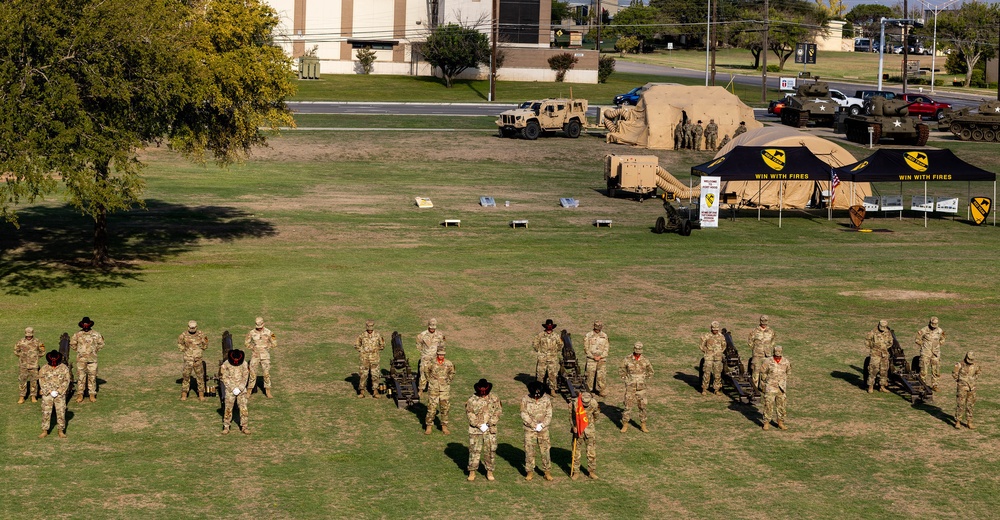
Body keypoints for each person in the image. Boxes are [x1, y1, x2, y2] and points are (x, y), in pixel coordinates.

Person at [465, 378, 502, 481]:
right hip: (476, 430)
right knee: (474, 451)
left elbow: (498, 411)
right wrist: (478, 425)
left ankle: (489, 472)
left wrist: (490, 423)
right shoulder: (472, 399)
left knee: (490, 451)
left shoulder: (494, 398)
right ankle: (472, 472)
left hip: (490, 430)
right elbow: (469, 413)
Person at [521, 381, 553, 481]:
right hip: (530, 430)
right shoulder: (525, 399)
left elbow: (549, 414)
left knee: (545, 451)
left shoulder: (546, 400)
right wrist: (533, 425)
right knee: (529, 451)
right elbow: (523, 414)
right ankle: (530, 472)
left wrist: (542, 425)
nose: (537, 396)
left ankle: (547, 472)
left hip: (543, 430)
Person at [619, 341, 653, 433]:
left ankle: (643, 425)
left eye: (639, 349)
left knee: (642, 407)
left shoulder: (645, 360)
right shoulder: (627, 359)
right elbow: (622, 371)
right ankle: (625, 425)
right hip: (630, 388)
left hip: (641, 389)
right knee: (627, 407)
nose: (638, 351)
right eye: (636, 349)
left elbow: (651, 371)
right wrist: (627, 380)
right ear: (634, 349)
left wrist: (643, 379)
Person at [70, 317, 104, 403]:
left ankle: (92, 394)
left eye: (87, 324)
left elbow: (101, 344)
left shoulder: (96, 334)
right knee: (81, 377)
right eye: (84, 324)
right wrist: (80, 352)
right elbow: (73, 344)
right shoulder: (78, 334)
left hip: (92, 359)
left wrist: (94, 351)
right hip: (81, 360)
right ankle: (80, 394)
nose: (85, 326)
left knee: (92, 377)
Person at [38, 350, 71, 438]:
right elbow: (41, 380)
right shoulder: (44, 368)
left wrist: (59, 391)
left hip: (59, 394)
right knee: (46, 412)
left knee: (61, 412)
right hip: (47, 394)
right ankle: (45, 430)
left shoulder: (64, 368)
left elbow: (67, 380)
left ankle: (61, 430)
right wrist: (49, 391)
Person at [424, 346, 455, 435]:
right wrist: (430, 380)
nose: (441, 356)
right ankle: (429, 426)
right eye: (439, 354)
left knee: (445, 408)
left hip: (444, 389)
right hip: (434, 388)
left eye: (443, 355)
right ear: (437, 354)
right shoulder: (431, 363)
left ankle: (444, 427)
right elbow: (426, 371)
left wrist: (448, 381)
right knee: (431, 408)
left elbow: (452, 373)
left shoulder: (448, 363)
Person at [570, 391, 600, 480]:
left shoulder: (594, 403)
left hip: (589, 430)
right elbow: (571, 416)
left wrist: (589, 424)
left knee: (591, 451)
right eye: (584, 403)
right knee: (576, 452)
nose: (585, 404)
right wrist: (573, 426)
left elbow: (596, 415)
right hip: (578, 429)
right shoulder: (575, 403)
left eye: (587, 403)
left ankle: (591, 471)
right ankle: (576, 472)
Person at [760, 345, 791, 430]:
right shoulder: (768, 361)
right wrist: (766, 381)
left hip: (781, 388)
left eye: (779, 353)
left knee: (781, 405)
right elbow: (763, 372)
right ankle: (766, 422)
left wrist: (783, 380)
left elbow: (788, 372)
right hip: (770, 387)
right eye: (776, 353)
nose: (777, 354)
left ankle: (780, 422)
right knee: (768, 405)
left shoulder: (786, 361)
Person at [220, 348, 251, 435]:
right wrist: (232, 388)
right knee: (228, 409)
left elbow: (245, 377)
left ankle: (244, 427)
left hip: (241, 390)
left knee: (243, 409)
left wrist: (240, 388)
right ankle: (226, 426)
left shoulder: (244, 364)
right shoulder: (226, 364)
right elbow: (224, 377)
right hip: (230, 389)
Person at [245, 316, 277, 398]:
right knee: (252, 374)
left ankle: (268, 391)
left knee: (266, 374)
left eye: (260, 327)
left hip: (265, 356)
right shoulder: (251, 333)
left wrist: (267, 347)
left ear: (263, 324)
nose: (259, 328)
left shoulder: (269, 332)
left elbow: (274, 343)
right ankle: (249, 391)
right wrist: (252, 348)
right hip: (255, 356)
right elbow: (246, 343)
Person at [177, 320, 209, 401]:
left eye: (193, 327)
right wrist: (184, 350)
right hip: (188, 360)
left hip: (197, 360)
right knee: (186, 377)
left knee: (200, 377)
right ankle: (184, 394)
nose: (192, 329)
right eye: (190, 327)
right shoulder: (183, 335)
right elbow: (179, 343)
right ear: (188, 327)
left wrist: (200, 350)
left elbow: (205, 343)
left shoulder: (201, 334)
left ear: (196, 327)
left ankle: (201, 394)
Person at [355, 320, 385, 398]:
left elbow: (382, 345)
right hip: (364, 359)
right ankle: (362, 391)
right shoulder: (362, 335)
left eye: (371, 327)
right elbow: (356, 345)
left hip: (374, 359)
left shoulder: (377, 335)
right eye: (368, 327)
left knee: (375, 375)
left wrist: (376, 350)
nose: (370, 329)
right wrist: (362, 350)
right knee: (363, 375)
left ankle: (375, 391)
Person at [532, 319, 563, 395]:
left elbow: (560, 345)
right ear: (545, 328)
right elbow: (535, 343)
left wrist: (554, 352)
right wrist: (540, 351)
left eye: (550, 328)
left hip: (552, 359)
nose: (549, 330)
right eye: (548, 328)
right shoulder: (540, 335)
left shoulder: (556, 336)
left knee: (552, 375)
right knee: (540, 375)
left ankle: (552, 390)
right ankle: (539, 390)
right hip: (542, 358)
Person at [15, 327, 45, 404]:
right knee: (22, 381)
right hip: (23, 365)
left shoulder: (37, 342)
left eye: (30, 335)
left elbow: (42, 350)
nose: (29, 336)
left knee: (34, 381)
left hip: (34, 366)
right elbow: (16, 350)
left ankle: (33, 396)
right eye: (27, 335)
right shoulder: (20, 341)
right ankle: (22, 397)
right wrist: (21, 357)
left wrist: (36, 357)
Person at [952, 351, 981, 429]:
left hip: (972, 388)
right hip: (962, 387)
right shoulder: (959, 364)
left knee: (970, 405)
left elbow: (978, 372)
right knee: (960, 404)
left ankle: (969, 422)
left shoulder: (976, 365)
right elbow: (954, 374)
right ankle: (958, 421)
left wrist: (974, 379)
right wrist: (960, 382)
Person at [747, 315, 776, 391]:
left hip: (767, 355)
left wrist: (768, 348)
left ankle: (763, 388)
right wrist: (755, 349)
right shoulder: (754, 331)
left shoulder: (771, 331)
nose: (764, 324)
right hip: (757, 355)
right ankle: (754, 389)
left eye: (765, 322)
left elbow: (773, 341)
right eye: (762, 322)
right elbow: (750, 342)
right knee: (755, 372)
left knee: (765, 373)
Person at [915, 316, 944, 391]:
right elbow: (917, 340)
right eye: (933, 324)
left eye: (935, 324)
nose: (934, 326)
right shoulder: (924, 330)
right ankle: (922, 385)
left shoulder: (940, 331)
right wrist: (924, 345)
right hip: (926, 353)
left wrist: (937, 345)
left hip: (935, 354)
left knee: (936, 370)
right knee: (923, 370)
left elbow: (943, 339)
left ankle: (935, 385)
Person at [865, 319, 893, 393]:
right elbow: (867, 341)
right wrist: (873, 347)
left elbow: (890, 342)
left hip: (884, 354)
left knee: (884, 371)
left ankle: (882, 386)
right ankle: (870, 386)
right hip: (875, 355)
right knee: (873, 370)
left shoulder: (888, 332)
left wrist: (885, 347)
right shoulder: (873, 332)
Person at [416, 318, 445, 390]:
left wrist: (439, 356)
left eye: (434, 328)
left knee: (435, 373)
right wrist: (424, 353)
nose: (432, 329)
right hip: (425, 358)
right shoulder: (422, 335)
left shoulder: (440, 335)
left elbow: (442, 346)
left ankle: (432, 388)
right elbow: (418, 345)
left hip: (435, 358)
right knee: (423, 373)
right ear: (428, 326)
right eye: (431, 327)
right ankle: (421, 389)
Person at [699, 321, 726, 396]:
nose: (715, 331)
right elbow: (701, 345)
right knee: (706, 373)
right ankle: (704, 388)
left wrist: (719, 352)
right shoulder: (706, 336)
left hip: (717, 358)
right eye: (714, 329)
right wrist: (706, 351)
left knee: (717, 374)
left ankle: (716, 389)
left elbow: (724, 346)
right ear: (711, 329)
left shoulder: (721, 336)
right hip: (709, 358)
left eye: (716, 329)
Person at [583, 321, 610, 396]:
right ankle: (589, 390)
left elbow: (606, 348)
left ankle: (601, 390)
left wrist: (601, 356)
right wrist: (593, 356)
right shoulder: (588, 335)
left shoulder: (604, 336)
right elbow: (586, 348)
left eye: (599, 328)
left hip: (601, 359)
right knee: (589, 375)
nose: (597, 330)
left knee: (601, 375)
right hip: (591, 359)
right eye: (596, 328)